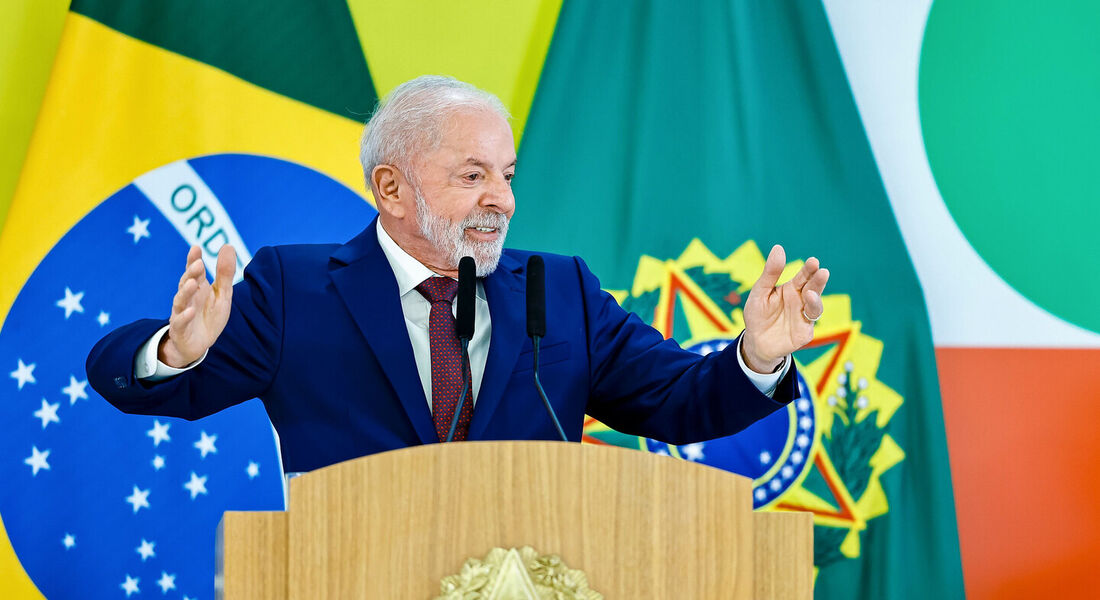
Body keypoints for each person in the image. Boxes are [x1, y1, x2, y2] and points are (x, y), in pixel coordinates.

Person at [86, 76, 829, 475]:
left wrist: (759, 356)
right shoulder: (295, 290)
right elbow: (135, 383)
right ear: (392, 189)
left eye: (505, 174)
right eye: (472, 174)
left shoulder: (557, 290)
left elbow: (679, 403)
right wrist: (178, 352)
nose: (500, 200)